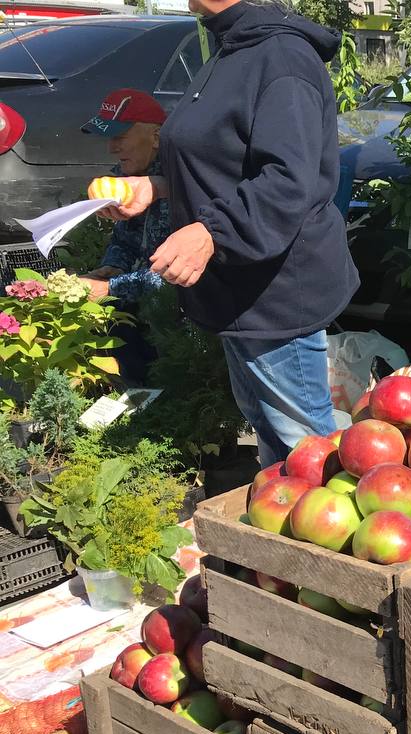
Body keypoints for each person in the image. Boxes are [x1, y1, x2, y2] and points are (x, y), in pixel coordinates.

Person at [105, 0, 358, 467]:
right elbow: (227, 161)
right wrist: (159, 187)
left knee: (306, 451)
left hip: (277, 293)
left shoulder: (282, 58)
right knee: (270, 433)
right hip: (236, 288)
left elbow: (287, 182)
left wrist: (209, 233)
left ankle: (321, 543)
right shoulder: (231, 46)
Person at [80, 88, 170, 306]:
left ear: (156, 137)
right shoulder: (126, 177)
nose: (111, 147)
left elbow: (177, 274)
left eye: (120, 137)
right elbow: (124, 240)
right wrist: (113, 266)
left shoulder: (183, 181)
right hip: (143, 307)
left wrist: (111, 288)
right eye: (110, 138)